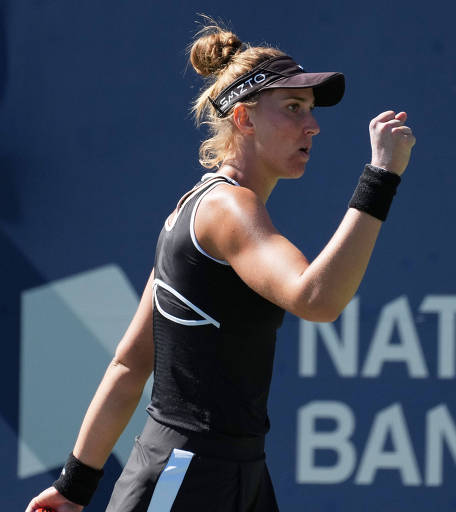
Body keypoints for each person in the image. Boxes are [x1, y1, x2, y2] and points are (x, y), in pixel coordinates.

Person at [25, 20, 414, 512]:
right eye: (293, 109)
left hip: (234, 474)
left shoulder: (196, 206)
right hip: (183, 475)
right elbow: (317, 299)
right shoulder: (228, 210)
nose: (311, 125)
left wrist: (74, 486)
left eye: (311, 111)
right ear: (244, 119)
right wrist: (380, 177)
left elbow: (131, 362)